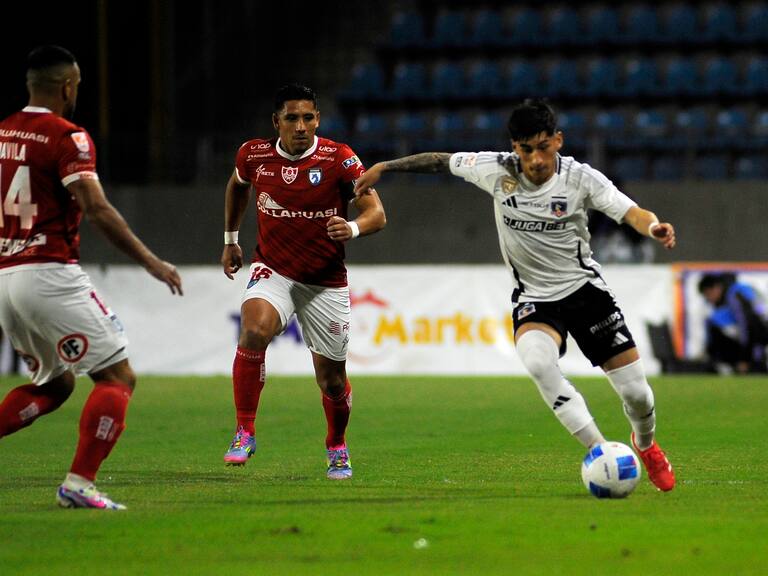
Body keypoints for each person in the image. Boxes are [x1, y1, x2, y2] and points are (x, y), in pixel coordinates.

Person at [354, 99, 677, 492]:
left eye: (544, 146)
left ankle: (644, 445)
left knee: (637, 395)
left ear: (558, 140)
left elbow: (631, 213)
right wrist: (386, 167)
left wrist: (655, 226)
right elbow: (441, 160)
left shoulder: (581, 178)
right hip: (535, 299)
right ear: (514, 147)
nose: (536, 158)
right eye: (526, 149)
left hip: (586, 293)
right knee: (537, 361)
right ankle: (599, 452)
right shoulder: (495, 170)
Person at [0, 45, 183, 510]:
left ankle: (79, 484)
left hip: (7, 278)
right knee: (118, 376)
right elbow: (96, 208)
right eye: (77, 85)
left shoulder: (2, 132)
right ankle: (79, 484)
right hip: (49, 273)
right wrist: (153, 263)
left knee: (55, 385)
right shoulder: (68, 137)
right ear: (67, 86)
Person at [220, 83, 385, 479]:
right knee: (254, 330)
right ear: (276, 121)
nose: (301, 126)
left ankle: (337, 444)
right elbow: (237, 186)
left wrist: (352, 227)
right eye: (291, 118)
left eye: (308, 117)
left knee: (331, 381)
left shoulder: (339, 159)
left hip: (325, 281)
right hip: (273, 269)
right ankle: (245, 430)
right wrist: (230, 240)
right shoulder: (253, 155)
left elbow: (376, 213)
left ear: (317, 120)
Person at [698, 272, 768, 374]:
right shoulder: (741, 289)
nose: (709, 299)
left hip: (760, 338)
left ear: (716, 288)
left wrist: (745, 358)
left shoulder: (734, 295)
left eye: (708, 294)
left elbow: (748, 325)